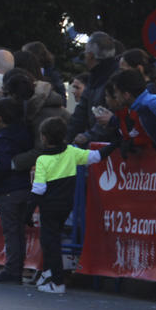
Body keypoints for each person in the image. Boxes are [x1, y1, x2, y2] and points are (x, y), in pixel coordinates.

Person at [29, 117, 114, 294]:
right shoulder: (71, 152)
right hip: (66, 205)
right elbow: (97, 156)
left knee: (50, 242)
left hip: (49, 206)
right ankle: (48, 272)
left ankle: (57, 282)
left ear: (43, 138)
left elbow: (38, 189)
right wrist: (118, 143)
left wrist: (27, 212)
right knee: (51, 239)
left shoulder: (43, 159)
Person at [0, 97, 34, 283]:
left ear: (1, 118)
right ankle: (17, 267)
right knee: (19, 230)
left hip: (9, 189)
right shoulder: (25, 133)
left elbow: (2, 164)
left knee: (11, 231)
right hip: (24, 186)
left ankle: (12, 269)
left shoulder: (4, 138)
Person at [67, 31, 119, 146]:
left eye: (85, 52)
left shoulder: (113, 78)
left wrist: (87, 136)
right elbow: (80, 114)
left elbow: (112, 113)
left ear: (90, 55)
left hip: (110, 147)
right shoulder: (95, 76)